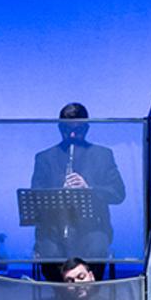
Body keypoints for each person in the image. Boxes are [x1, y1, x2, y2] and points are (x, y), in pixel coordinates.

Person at [30, 103, 126, 278]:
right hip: (54, 231)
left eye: (79, 129)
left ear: (87, 128)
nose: (73, 135)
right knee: (49, 254)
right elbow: (35, 197)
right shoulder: (44, 158)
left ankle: (89, 299)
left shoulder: (103, 155)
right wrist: (60, 190)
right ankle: (60, 297)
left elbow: (118, 193)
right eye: (67, 129)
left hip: (92, 229)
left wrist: (88, 188)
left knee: (96, 248)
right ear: (59, 127)